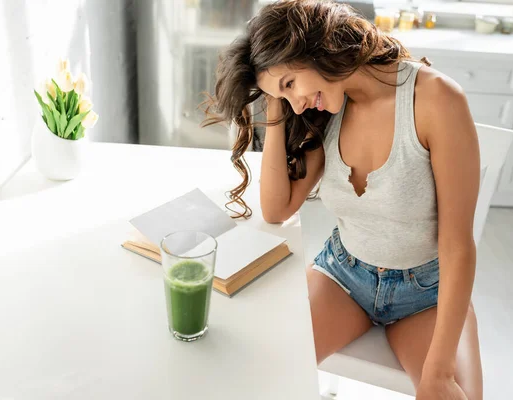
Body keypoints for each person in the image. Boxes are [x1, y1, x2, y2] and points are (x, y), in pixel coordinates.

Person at [203, 1, 482, 398]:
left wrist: (437, 372)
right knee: (259, 378)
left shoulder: (436, 100)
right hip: (344, 276)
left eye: (289, 84)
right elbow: (277, 209)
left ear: (314, 47)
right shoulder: (327, 109)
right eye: (282, 95)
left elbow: (458, 245)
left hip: (427, 295)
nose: (296, 103)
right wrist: (277, 99)